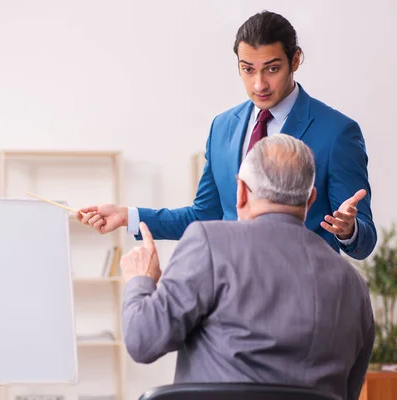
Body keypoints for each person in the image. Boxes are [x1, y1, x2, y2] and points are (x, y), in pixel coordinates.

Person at [76, 10, 376, 260]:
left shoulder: (337, 132)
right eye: (248, 69)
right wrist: (127, 216)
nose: (259, 84)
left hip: (304, 301)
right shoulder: (222, 127)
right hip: (234, 295)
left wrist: (349, 231)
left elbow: (365, 239)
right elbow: (204, 215)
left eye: (271, 69)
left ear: (295, 60)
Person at [120, 134, 375, 400]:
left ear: (240, 192)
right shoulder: (352, 283)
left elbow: (143, 341)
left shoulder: (209, 243)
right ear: (310, 200)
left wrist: (141, 280)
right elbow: (349, 392)